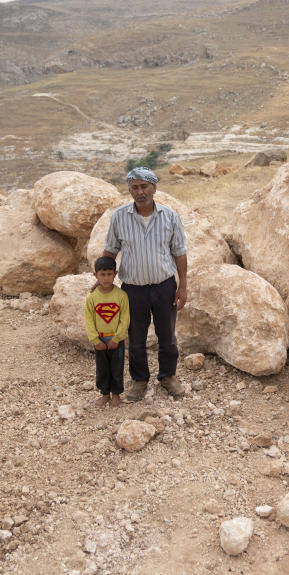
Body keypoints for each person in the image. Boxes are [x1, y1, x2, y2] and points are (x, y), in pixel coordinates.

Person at [102, 166, 187, 401]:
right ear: (130, 190)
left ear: (154, 188)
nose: (140, 192)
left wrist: (183, 286)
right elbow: (110, 250)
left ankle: (168, 376)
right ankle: (139, 380)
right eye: (135, 187)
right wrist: (102, 282)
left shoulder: (169, 216)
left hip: (164, 286)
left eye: (144, 187)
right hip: (133, 289)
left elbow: (179, 253)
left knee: (167, 336)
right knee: (136, 338)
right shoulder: (120, 217)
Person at [83, 256, 130, 407]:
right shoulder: (92, 298)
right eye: (102, 274)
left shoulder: (121, 296)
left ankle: (116, 395)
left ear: (115, 274)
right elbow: (89, 320)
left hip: (116, 340)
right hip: (100, 341)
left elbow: (125, 319)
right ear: (95, 275)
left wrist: (117, 338)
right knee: (102, 368)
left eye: (109, 274)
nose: (106, 278)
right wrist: (95, 340)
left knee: (117, 368)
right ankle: (105, 394)